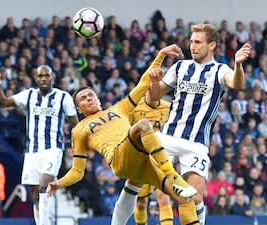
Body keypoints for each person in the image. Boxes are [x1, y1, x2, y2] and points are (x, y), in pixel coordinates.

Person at [46, 44, 199, 225]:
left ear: (98, 98)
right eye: (83, 98)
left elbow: (144, 83)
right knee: (143, 125)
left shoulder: (119, 108)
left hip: (141, 160)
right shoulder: (79, 130)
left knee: (186, 199)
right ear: (79, 109)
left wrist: (161, 55)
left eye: (91, 95)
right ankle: (172, 175)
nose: (89, 98)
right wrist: (59, 183)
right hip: (119, 159)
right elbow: (78, 172)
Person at [146, 23, 251, 225]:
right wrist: (153, 81)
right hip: (167, 137)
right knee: (160, 194)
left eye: (197, 42)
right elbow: (154, 96)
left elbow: (237, 84)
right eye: (191, 41)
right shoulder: (180, 67)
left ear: (211, 45)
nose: (192, 46)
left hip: (195, 143)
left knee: (194, 198)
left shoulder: (220, 70)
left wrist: (238, 65)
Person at [0, 64, 79, 225]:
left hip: (53, 149)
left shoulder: (63, 97)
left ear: (52, 77)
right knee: (35, 195)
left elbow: (75, 124)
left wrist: (77, 147)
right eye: (40, 76)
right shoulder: (29, 95)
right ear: (36, 79)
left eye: (47, 75)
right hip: (32, 152)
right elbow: (3, 103)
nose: (43, 79)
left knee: (44, 186)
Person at [130, 97, 174, 225]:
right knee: (141, 202)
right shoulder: (134, 108)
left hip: (160, 158)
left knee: (164, 198)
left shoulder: (169, 107)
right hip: (140, 160)